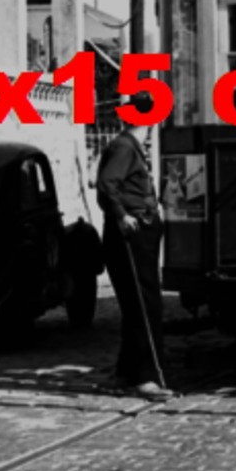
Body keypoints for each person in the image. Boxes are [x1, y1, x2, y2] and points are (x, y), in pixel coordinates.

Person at [95, 93, 173, 400]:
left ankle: (127, 372)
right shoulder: (124, 147)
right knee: (145, 304)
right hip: (132, 232)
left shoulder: (130, 146)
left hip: (139, 227)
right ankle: (146, 377)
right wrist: (122, 216)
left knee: (136, 303)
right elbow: (106, 185)